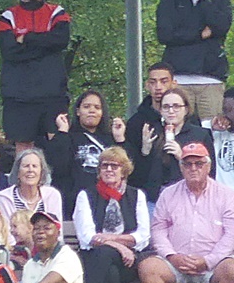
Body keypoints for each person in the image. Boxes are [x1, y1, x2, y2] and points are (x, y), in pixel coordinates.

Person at [137, 142, 234, 283]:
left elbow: (231, 234)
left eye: (199, 163)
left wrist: (208, 261)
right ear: (181, 168)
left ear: (208, 166)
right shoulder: (168, 193)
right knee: (148, 267)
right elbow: (158, 229)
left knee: (232, 270)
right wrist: (172, 256)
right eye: (187, 164)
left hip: (214, 264)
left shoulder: (226, 195)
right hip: (176, 263)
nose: (193, 168)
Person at [0, 0, 72, 153]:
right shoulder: (9, 16)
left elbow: (61, 41)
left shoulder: (57, 13)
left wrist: (27, 39)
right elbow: (10, 52)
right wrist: (45, 45)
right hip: (19, 96)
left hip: (52, 93)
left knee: (56, 142)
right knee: (23, 146)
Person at [72, 146, 150, 283]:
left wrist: (110, 240)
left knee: (107, 258)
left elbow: (143, 235)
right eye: (104, 166)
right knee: (109, 268)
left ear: (124, 170)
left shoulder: (136, 195)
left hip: (129, 261)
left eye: (114, 166)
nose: (108, 170)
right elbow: (88, 237)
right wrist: (119, 246)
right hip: (93, 257)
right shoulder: (86, 195)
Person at [156, 0, 232, 119]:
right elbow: (165, 34)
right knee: (176, 128)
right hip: (178, 76)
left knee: (213, 130)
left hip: (211, 76)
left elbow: (222, 26)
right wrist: (200, 33)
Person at [44, 89, 126, 217]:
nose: (92, 110)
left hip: (106, 202)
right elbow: (58, 166)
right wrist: (62, 132)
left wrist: (120, 139)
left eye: (97, 107)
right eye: (86, 106)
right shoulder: (68, 137)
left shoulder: (110, 139)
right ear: (78, 111)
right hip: (73, 203)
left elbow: (126, 170)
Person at [132, 87, 215, 202]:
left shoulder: (200, 134)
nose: (171, 111)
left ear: (186, 109)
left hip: (189, 197)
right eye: (166, 107)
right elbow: (138, 176)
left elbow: (210, 172)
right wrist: (145, 152)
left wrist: (182, 156)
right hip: (156, 198)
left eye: (176, 106)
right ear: (160, 111)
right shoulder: (152, 132)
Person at [125, 62, 181, 203]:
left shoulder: (188, 119)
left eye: (164, 81)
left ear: (174, 84)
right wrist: (145, 152)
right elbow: (131, 165)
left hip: (184, 192)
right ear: (147, 85)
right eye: (153, 82)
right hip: (149, 196)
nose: (158, 87)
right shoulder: (136, 122)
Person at [0, 149, 63, 237]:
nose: (30, 170)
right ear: (18, 172)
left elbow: (57, 232)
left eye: (35, 166)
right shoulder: (3, 199)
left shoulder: (52, 195)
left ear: (41, 172)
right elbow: (8, 235)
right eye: (26, 166)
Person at [203, 87, 234, 189]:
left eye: (232, 110)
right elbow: (192, 132)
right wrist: (211, 126)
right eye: (225, 110)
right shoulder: (215, 133)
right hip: (218, 196)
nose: (229, 115)